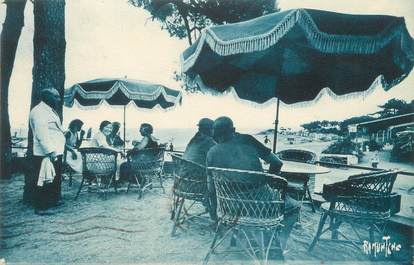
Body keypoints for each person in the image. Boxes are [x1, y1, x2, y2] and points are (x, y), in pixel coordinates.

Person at [206, 116, 300, 252]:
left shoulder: (211, 153)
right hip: (259, 204)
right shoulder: (247, 140)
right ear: (233, 130)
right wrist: (269, 182)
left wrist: (216, 215)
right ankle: (278, 246)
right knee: (294, 207)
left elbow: (211, 189)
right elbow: (277, 163)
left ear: (214, 134)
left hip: (229, 208)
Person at [28, 88, 66, 214]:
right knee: (43, 179)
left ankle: (51, 201)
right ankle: (41, 207)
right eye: (56, 97)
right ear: (47, 97)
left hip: (55, 151)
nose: (59, 100)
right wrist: (50, 151)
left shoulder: (49, 110)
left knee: (52, 178)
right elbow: (41, 134)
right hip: (46, 153)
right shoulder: (39, 112)